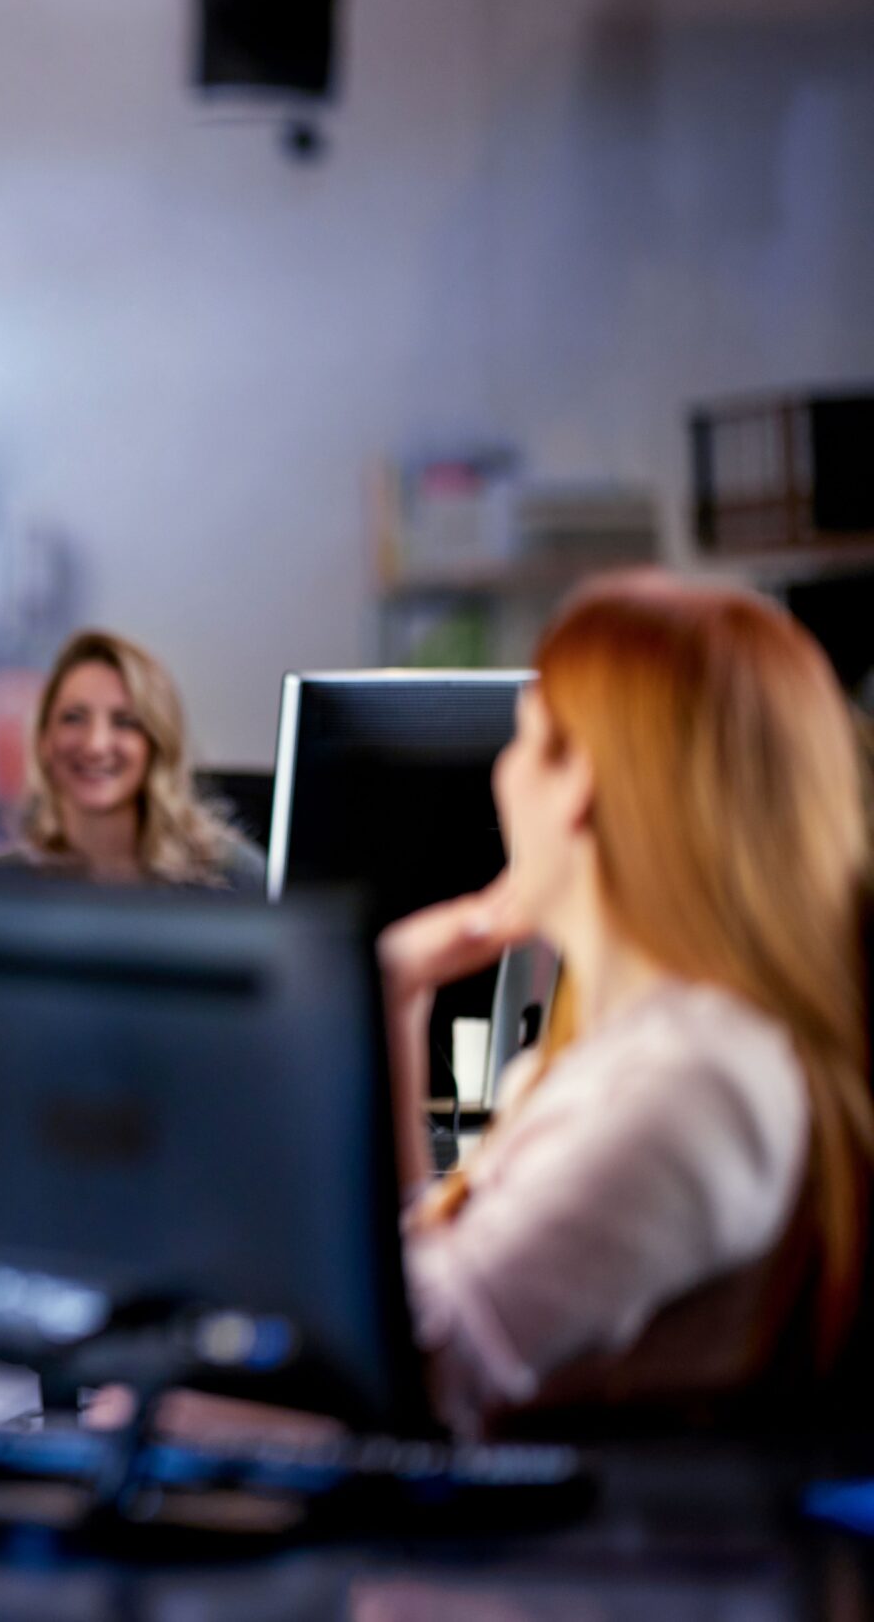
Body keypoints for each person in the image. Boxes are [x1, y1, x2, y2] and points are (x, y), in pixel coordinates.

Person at [379, 573, 873, 1436]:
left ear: (579, 784)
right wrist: (391, 1007)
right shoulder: (619, 1053)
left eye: (525, 741)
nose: (503, 774)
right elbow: (426, 1284)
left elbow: (415, 1367)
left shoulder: (698, 1081)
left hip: (571, 1562)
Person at [0, 629, 261, 891]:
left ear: (157, 742)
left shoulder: (234, 877)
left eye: (124, 722)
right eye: (73, 718)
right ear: (44, 739)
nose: (96, 745)